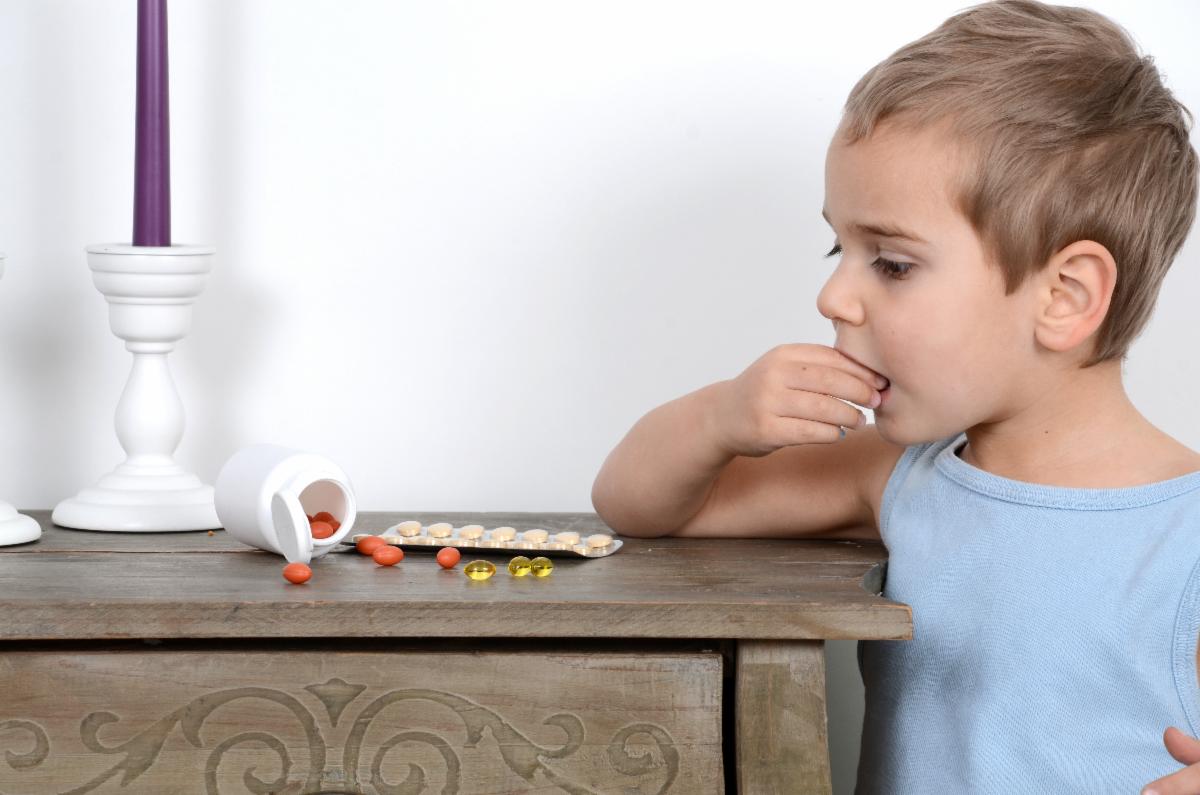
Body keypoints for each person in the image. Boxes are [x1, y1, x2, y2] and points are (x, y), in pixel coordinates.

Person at [590, 1, 1200, 792]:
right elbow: (637, 505)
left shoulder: (1184, 536)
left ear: (1064, 297)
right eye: (838, 247)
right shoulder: (898, 475)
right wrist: (721, 416)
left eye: (892, 263)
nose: (833, 297)